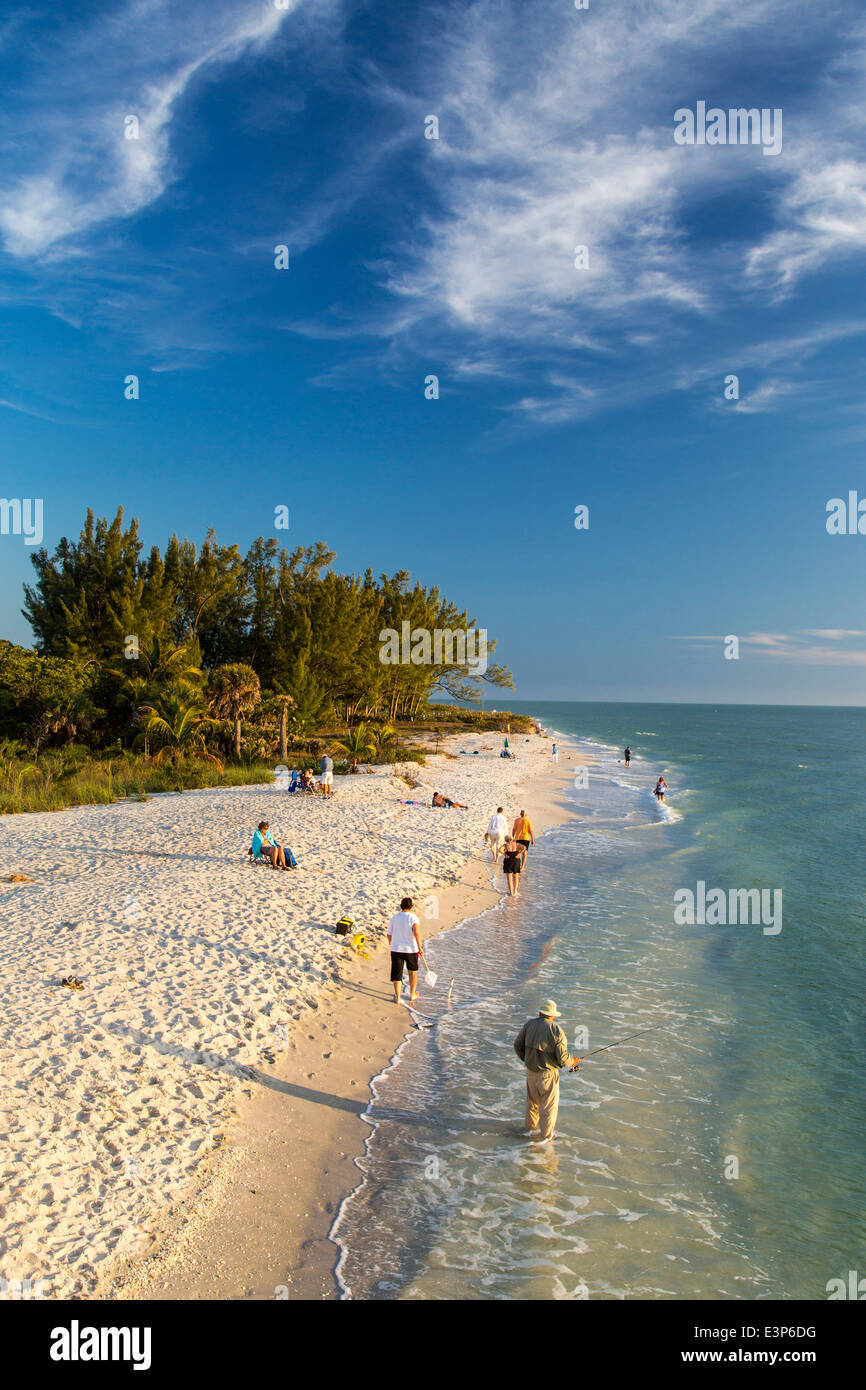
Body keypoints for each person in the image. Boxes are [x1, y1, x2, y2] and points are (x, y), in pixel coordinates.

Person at [513, 1000, 580, 1141]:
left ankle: (529, 1132)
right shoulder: (556, 1030)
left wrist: (526, 1059)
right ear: (553, 1015)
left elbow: (517, 1045)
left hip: (531, 1072)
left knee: (532, 1105)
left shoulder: (529, 1025)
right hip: (548, 1075)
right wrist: (573, 1061)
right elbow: (563, 1059)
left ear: (540, 1012)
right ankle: (546, 1138)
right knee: (548, 1108)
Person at [387, 896, 426, 1004]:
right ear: (411, 906)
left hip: (396, 949)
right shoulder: (413, 917)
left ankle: (398, 997)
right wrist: (419, 947)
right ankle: (412, 994)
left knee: (397, 974)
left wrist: (390, 941)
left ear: (401, 906)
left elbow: (389, 933)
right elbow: (417, 932)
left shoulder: (395, 917)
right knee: (412, 972)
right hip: (411, 949)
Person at [512, 809, 535, 875]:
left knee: (518, 852)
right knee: (524, 853)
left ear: (520, 814)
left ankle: (517, 865)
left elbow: (514, 829)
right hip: (525, 838)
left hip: (518, 838)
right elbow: (531, 831)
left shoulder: (516, 820)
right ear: (526, 815)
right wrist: (533, 840)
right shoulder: (527, 821)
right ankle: (522, 867)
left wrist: (512, 837)